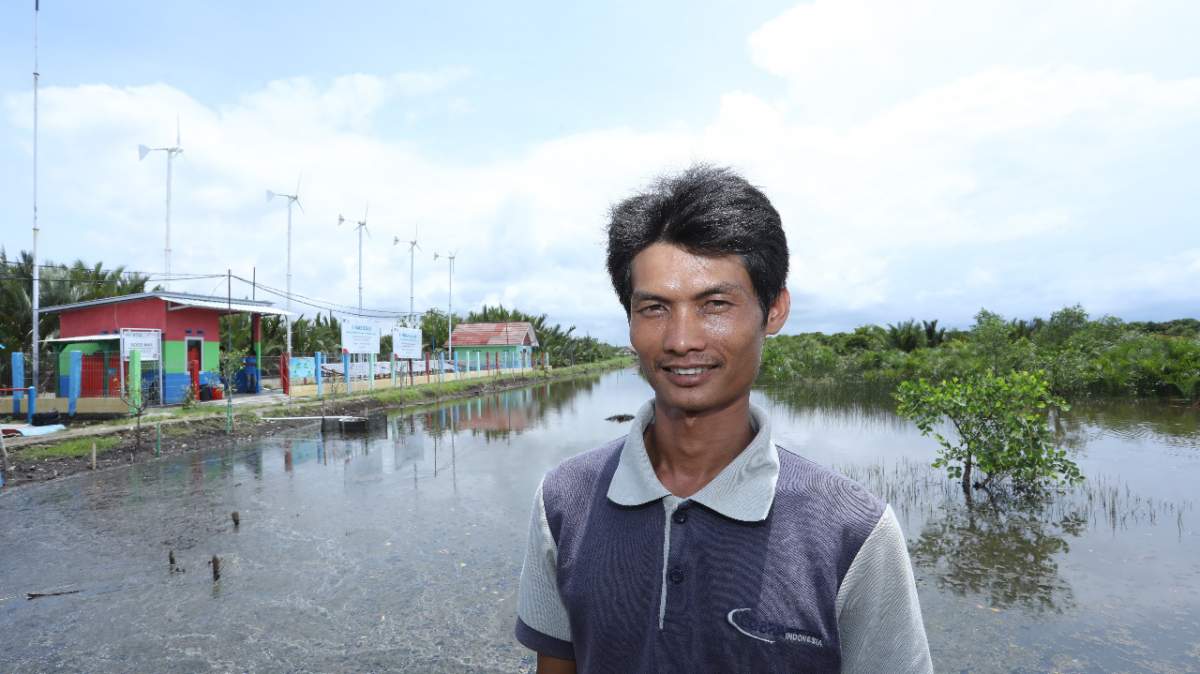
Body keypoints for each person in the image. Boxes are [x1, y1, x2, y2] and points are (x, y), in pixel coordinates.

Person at [515, 165, 932, 673]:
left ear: (774, 310)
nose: (682, 339)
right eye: (654, 308)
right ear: (628, 320)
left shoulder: (854, 532)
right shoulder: (564, 501)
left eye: (714, 303)